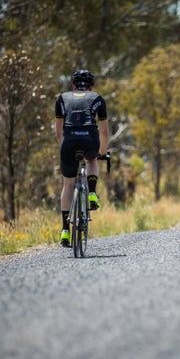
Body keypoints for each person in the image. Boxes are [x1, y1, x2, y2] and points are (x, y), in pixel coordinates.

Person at [54, 69, 109, 247]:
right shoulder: (97, 98)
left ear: (73, 85)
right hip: (90, 138)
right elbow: (104, 132)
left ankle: (64, 230)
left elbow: (58, 133)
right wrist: (101, 152)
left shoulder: (62, 98)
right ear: (91, 86)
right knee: (92, 160)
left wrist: (63, 150)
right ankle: (92, 192)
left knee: (67, 184)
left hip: (68, 140)